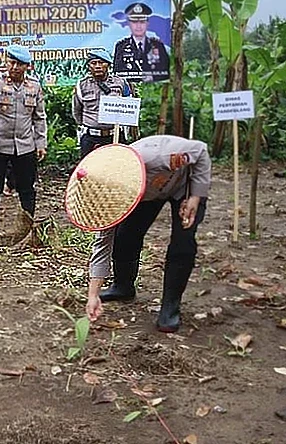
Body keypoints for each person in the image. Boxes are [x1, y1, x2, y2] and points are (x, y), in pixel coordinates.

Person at [85, 135, 211, 333]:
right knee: (125, 236)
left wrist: (195, 195)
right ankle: (123, 287)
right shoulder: (111, 194)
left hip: (183, 186)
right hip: (148, 194)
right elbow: (103, 243)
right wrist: (93, 295)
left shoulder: (157, 155)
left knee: (183, 242)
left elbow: (201, 151)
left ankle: (170, 307)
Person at [0, 45, 47, 236]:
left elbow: (39, 117)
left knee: (26, 187)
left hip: (24, 145)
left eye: (19, 64)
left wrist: (41, 143)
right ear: (7, 63)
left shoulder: (34, 86)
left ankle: (28, 223)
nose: (14, 67)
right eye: (11, 62)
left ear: (27, 67)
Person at [72, 49, 133, 160]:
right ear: (89, 66)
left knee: (118, 168)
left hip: (115, 136)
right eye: (94, 63)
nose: (98, 66)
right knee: (89, 171)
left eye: (101, 62)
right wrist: (90, 124)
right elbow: (77, 110)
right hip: (90, 138)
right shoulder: (81, 85)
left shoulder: (120, 83)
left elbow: (128, 106)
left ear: (108, 65)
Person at [112, 2, 170, 82]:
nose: (138, 26)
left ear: (147, 23)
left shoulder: (158, 45)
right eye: (135, 22)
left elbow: (165, 72)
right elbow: (117, 74)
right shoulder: (121, 46)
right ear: (129, 24)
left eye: (142, 22)